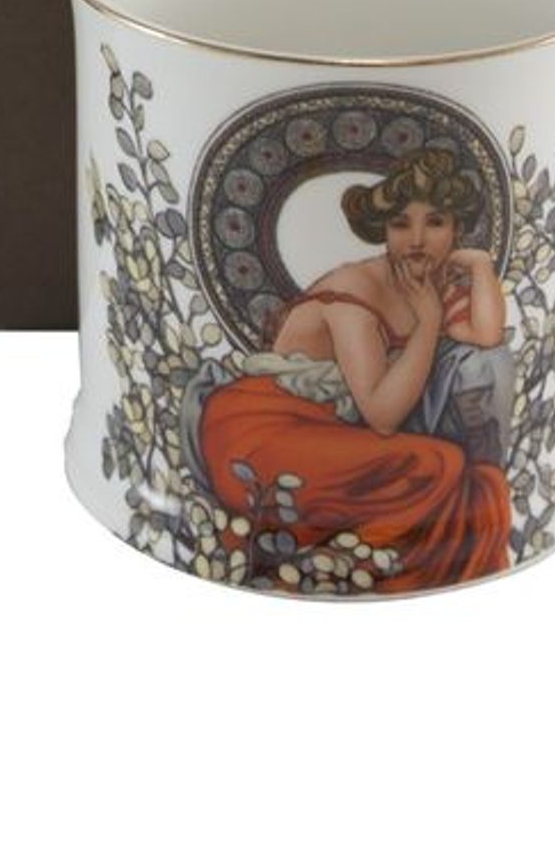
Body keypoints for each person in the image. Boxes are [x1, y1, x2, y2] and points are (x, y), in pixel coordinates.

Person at [194, 146, 513, 591]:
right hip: (263, 430)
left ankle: (358, 565)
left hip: (329, 431)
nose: (417, 240)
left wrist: (480, 267)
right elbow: (381, 415)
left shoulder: (428, 283)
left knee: (469, 481)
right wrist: (428, 325)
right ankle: (342, 567)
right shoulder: (354, 292)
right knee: (439, 464)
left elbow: (487, 335)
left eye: (435, 222)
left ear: (457, 229)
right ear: (382, 231)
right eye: (400, 224)